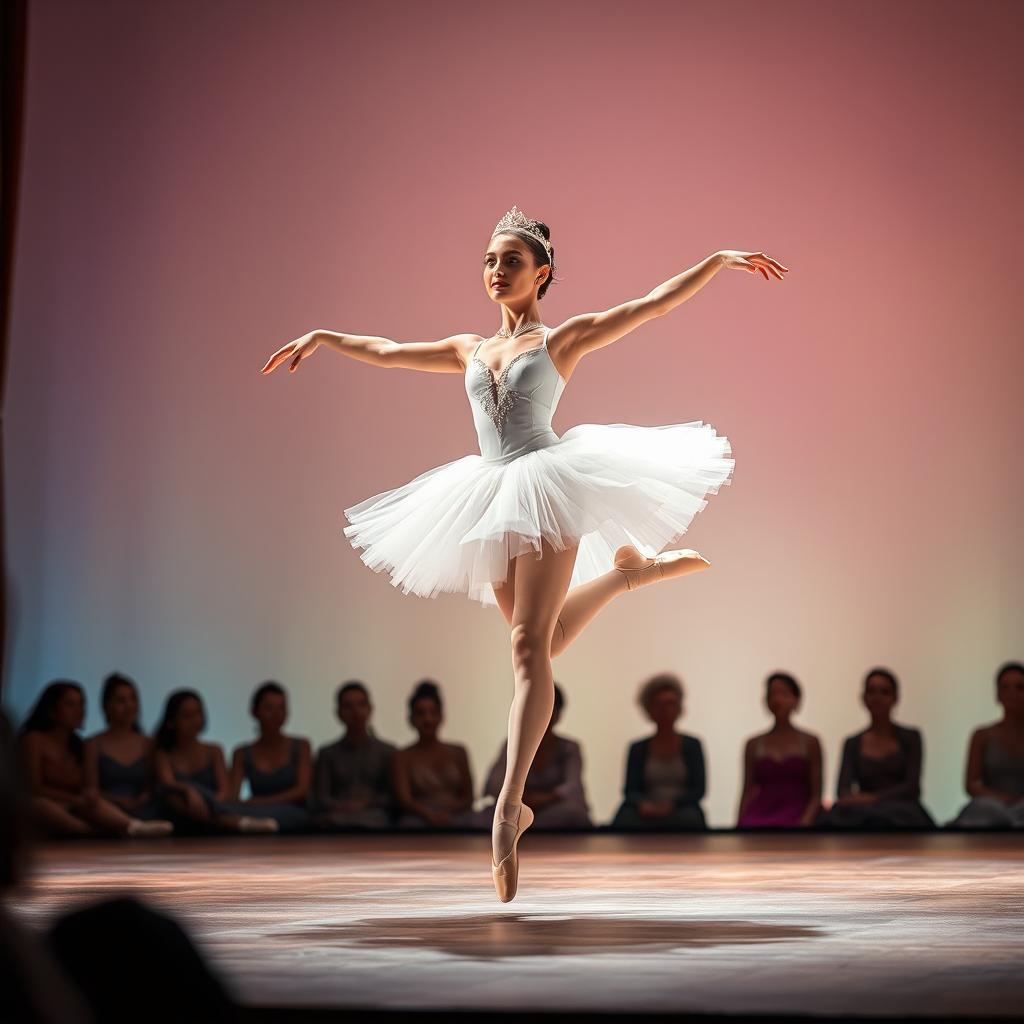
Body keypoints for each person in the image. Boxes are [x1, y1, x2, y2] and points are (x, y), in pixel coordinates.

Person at [262, 203, 786, 899]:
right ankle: (631, 576)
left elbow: (652, 306)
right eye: (488, 260)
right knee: (540, 643)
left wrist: (717, 261)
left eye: (510, 260)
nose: (496, 270)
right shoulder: (465, 351)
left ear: (542, 273)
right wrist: (326, 335)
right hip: (488, 495)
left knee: (524, 650)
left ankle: (509, 808)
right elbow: (387, 350)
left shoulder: (559, 341)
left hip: (548, 484)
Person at [19, 680, 171, 838]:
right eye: (70, 705)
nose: (79, 711)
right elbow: (33, 787)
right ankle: (95, 832)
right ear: (52, 710)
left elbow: (86, 788)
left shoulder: (77, 745)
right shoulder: (34, 739)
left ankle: (132, 826)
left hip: (76, 806)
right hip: (49, 804)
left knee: (93, 801)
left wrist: (83, 798)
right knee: (39, 805)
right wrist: (76, 798)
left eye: (81, 704)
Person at [816, 668, 935, 829]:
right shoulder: (853, 742)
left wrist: (873, 798)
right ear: (863, 698)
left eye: (884, 692)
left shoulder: (911, 737)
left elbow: (912, 787)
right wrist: (859, 800)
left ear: (895, 698)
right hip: (863, 811)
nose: (877, 697)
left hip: (901, 811)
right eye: (871, 691)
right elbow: (843, 789)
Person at [152, 689, 278, 833]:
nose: (194, 720)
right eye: (187, 716)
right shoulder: (164, 753)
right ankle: (238, 823)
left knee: (204, 794)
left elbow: (224, 789)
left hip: (212, 807)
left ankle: (225, 820)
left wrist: (209, 803)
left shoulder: (213, 750)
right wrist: (188, 790)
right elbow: (167, 783)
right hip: (181, 812)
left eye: (198, 713)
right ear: (171, 722)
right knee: (172, 797)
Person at [482, 682, 592, 830]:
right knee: (484, 817)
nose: (540, 714)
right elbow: (494, 786)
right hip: (518, 810)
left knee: (573, 814)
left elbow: (572, 787)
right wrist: (522, 800)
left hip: (553, 811)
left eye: (548, 708)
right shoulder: (512, 745)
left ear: (558, 714)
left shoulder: (569, 748)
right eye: (534, 708)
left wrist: (540, 799)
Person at [612, 673, 707, 830]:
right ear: (649, 709)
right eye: (659, 704)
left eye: (670, 703)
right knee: (624, 820)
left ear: (680, 708)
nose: (665, 710)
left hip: (681, 809)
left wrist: (672, 805)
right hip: (645, 808)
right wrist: (644, 804)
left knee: (691, 820)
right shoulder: (638, 748)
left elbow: (698, 790)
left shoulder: (692, 745)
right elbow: (630, 790)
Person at [84, 673, 171, 826]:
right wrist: (121, 801)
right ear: (106, 706)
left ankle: (136, 826)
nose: (129, 706)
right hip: (107, 807)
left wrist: (141, 799)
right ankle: (129, 825)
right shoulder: (93, 744)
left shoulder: (148, 744)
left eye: (133, 699)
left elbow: (150, 786)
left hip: (143, 808)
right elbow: (91, 789)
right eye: (121, 701)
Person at [737, 673, 823, 827]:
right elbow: (747, 791)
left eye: (784, 693)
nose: (777, 699)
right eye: (772, 694)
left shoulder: (810, 742)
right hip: (760, 812)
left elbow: (816, 794)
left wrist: (806, 821)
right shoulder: (753, 744)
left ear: (796, 700)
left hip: (798, 812)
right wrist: (738, 826)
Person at [947, 661, 1024, 828]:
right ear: (997, 694)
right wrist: (1001, 799)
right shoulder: (982, 735)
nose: (1012, 693)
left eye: (1020, 687)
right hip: (990, 807)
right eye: (1005, 687)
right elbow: (972, 784)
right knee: (985, 811)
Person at [229, 682, 313, 832]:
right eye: (269, 708)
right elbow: (233, 795)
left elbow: (302, 790)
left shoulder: (300, 746)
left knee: (288, 815)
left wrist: (261, 802)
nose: (276, 714)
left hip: (290, 811)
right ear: (255, 711)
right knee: (228, 811)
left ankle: (254, 823)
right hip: (254, 811)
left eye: (281, 708)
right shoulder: (242, 753)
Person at [392, 680, 477, 829]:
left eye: (433, 712)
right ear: (411, 719)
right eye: (421, 713)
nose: (427, 719)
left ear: (441, 716)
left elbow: (468, 797)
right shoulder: (402, 757)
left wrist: (446, 812)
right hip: (417, 820)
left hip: (456, 817)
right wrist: (428, 814)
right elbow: (404, 800)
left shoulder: (458, 752)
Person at [312, 682, 397, 829]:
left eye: (361, 704)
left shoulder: (387, 752)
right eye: (348, 706)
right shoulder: (327, 753)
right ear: (338, 713)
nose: (356, 711)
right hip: (336, 817)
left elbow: (393, 795)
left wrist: (367, 803)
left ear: (370, 709)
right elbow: (320, 797)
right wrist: (341, 806)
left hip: (375, 817)